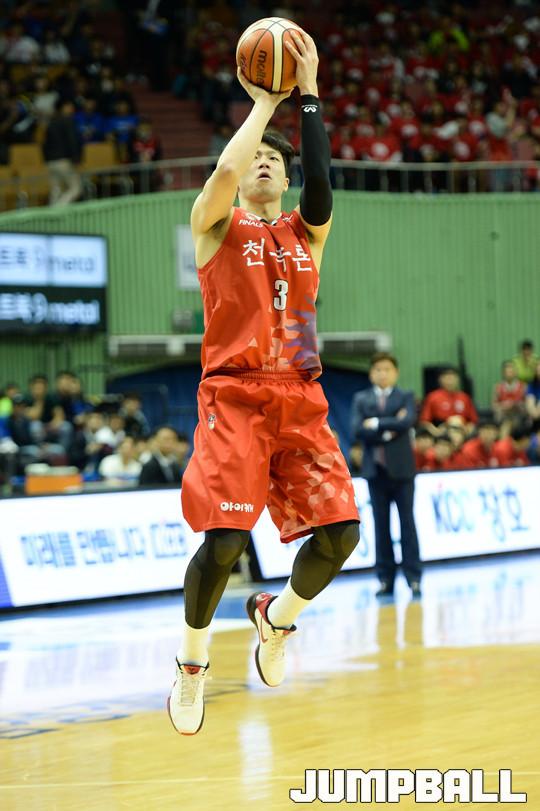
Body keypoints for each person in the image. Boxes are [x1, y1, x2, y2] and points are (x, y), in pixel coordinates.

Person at [168, 32, 360, 736]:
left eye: (275, 160)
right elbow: (226, 166)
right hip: (235, 394)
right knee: (224, 543)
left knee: (342, 534)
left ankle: (276, 620)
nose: (265, 163)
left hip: (300, 395)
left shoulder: (308, 235)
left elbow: (321, 180)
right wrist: (263, 104)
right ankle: (192, 663)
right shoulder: (215, 225)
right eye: (257, 158)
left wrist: (308, 98)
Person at [351, 352, 421, 599]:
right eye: (378, 369)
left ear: (396, 372)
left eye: (387, 369)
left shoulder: (406, 396)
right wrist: (391, 427)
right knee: (381, 527)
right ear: (371, 373)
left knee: (407, 524)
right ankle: (385, 579)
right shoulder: (361, 398)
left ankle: (414, 577)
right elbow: (356, 429)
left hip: (402, 471)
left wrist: (376, 424)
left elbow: (407, 422)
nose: (383, 373)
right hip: (375, 471)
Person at [419, 366, 478, 436]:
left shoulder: (465, 397)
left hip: (462, 431)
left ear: (458, 379)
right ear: (440, 380)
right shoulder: (433, 397)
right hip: (442, 432)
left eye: (453, 377)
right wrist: (436, 432)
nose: (450, 381)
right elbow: (424, 422)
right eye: (447, 378)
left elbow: (473, 421)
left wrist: (468, 430)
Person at [491, 360, 527, 436]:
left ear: (515, 372)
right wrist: (503, 406)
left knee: (509, 424)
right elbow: (494, 406)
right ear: (503, 373)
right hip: (503, 417)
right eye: (507, 371)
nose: (509, 373)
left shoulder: (523, 387)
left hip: (518, 416)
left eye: (511, 371)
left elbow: (527, 406)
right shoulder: (498, 387)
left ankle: (503, 441)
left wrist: (517, 405)